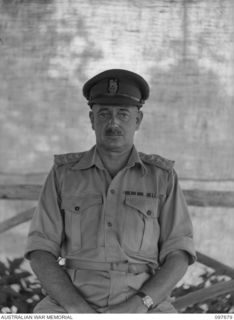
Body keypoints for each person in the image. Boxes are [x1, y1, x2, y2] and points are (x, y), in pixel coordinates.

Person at [25, 69, 196, 313]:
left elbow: (179, 253)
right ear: (91, 119)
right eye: (104, 113)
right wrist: (77, 309)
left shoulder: (162, 177)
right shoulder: (64, 174)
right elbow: (40, 250)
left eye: (123, 114)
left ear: (138, 120)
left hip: (143, 303)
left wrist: (140, 304)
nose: (113, 123)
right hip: (70, 301)